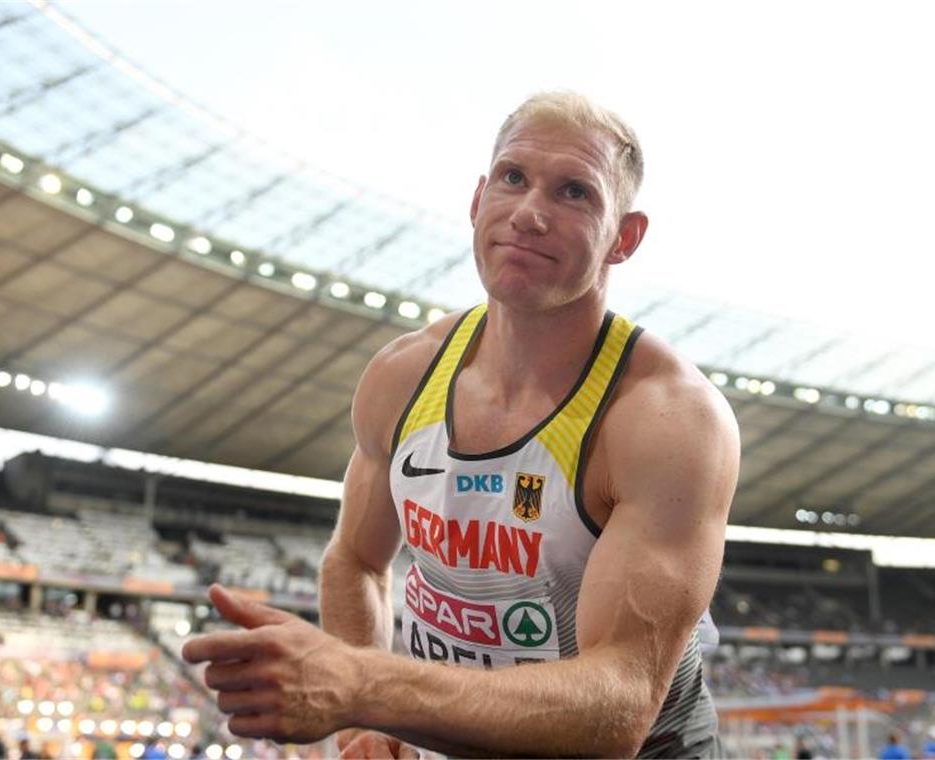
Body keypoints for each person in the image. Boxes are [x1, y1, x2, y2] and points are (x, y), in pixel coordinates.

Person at [183, 91, 740, 758]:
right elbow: (356, 560)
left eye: (574, 193)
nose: (529, 213)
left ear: (624, 237)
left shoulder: (667, 419)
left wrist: (363, 684)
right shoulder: (402, 376)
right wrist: (365, 728)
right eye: (513, 178)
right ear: (478, 200)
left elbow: (618, 707)